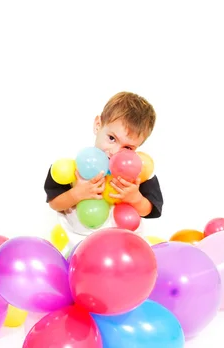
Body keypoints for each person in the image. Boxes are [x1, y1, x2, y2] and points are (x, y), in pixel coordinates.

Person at [43, 91, 163, 250]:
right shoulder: (74, 169)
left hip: (125, 248)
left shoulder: (139, 173)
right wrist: (77, 194)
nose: (114, 151)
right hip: (80, 246)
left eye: (127, 147)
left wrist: (135, 198)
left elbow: (150, 209)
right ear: (98, 125)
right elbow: (55, 203)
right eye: (112, 138)